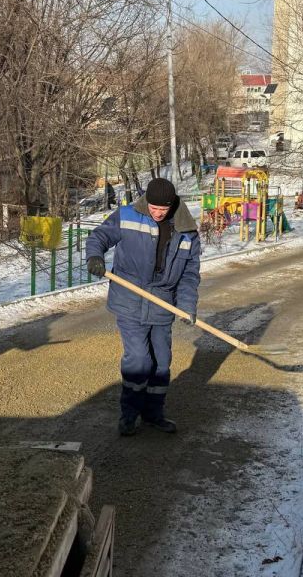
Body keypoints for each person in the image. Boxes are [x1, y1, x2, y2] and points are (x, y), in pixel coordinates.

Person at [85, 177, 201, 436]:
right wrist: (94, 256)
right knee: (139, 360)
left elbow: (190, 274)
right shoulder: (127, 216)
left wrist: (187, 305)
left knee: (161, 363)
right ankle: (129, 415)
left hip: (162, 303)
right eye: (153, 207)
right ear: (146, 201)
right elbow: (99, 236)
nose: (157, 213)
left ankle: (153, 414)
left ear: (172, 206)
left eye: (163, 209)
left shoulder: (187, 231)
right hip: (129, 298)